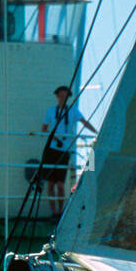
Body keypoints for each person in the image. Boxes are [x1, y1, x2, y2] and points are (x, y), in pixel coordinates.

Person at [41, 85, 97, 217]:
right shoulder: (50, 111)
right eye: (61, 96)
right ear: (57, 96)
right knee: (50, 184)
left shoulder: (73, 111)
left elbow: (84, 122)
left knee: (60, 184)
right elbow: (44, 129)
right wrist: (55, 138)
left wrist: (96, 133)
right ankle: (53, 211)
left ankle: (60, 211)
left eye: (65, 96)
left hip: (65, 150)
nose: (63, 98)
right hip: (52, 149)